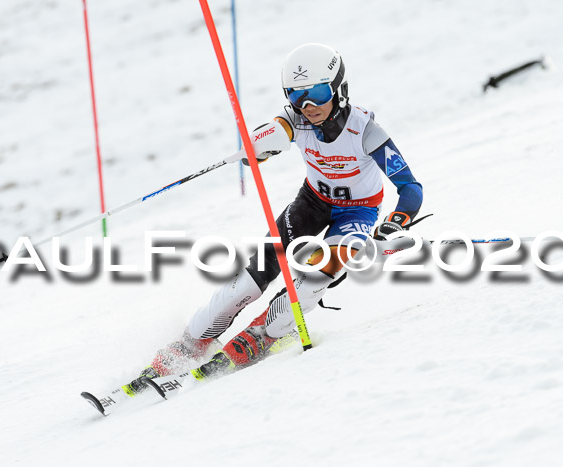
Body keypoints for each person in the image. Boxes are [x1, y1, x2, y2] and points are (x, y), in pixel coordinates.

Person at [128, 43, 423, 392]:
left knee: (318, 271)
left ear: (339, 89)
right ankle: (190, 342)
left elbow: (410, 187)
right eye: (297, 96)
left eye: (317, 93)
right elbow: (277, 130)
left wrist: (395, 221)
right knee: (255, 274)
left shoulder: (365, 131)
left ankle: (265, 333)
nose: (308, 106)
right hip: (311, 203)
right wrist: (257, 147)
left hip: (357, 212)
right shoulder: (295, 119)